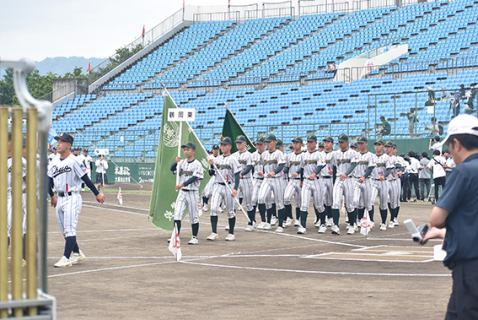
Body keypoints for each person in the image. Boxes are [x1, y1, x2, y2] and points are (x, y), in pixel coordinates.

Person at [422, 114, 478, 319]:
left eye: (450, 147)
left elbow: (436, 217)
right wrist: (444, 233)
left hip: (470, 268)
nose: (450, 153)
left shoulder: (463, 172)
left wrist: (437, 227)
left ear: (457, 143)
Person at [48, 133, 105, 267]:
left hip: (72, 197)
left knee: (70, 229)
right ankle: (77, 253)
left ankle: (65, 258)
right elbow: (48, 179)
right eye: (58, 141)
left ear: (69, 145)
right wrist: (51, 195)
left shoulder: (75, 161)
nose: (58, 144)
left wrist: (97, 193)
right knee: (64, 231)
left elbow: (86, 179)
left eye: (62, 141)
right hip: (60, 198)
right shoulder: (54, 160)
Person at [207, 137, 241, 241]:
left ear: (230, 146)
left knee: (230, 211)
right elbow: (211, 173)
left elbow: (237, 175)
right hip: (218, 185)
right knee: (213, 209)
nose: (222, 147)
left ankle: (231, 233)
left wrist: (235, 189)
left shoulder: (233, 159)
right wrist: (211, 166)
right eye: (222, 145)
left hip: (229, 186)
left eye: (225, 145)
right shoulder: (217, 159)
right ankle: (214, 232)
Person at [170, 141, 203, 245]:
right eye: (184, 149)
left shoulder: (197, 164)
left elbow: (194, 177)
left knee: (193, 216)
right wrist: (175, 163)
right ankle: (176, 236)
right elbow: (172, 169)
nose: (185, 151)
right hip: (182, 193)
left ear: (193, 151)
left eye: (188, 149)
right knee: (177, 214)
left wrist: (182, 184)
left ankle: (194, 237)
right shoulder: (182, 162)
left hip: (192, 192)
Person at [292, 135, 325, 234]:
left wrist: (314, 174)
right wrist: (298, 174)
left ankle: (323, 224)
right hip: (306, 181)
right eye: (308, 142)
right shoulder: (304, 155)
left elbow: (320, 166)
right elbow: (302, 168)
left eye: (311, 142)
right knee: (304, 205)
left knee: (319, 206)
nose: (309, 144)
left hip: (317, 181)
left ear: (316, 143)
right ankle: (302, 226)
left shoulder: (319, 154)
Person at [256, 134, 286, 232]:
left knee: (279, 202)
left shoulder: (279, 153)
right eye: (266, 142)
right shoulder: (264, 154)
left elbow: (281, 165)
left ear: (274, 142)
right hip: (266, 178)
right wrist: (264, 172)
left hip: (277, 179)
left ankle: (280, 225)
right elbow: (264, 166)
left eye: (269, 142)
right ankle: (266, 222)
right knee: (261, 198)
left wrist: (274, 172)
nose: (267, 144)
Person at [330, 134, 358, 235]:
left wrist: (346, 174)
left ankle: (351, 225)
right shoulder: (335, 154)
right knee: (336, 203)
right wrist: (333, 182)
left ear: (347, 142)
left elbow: (353, 165)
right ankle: (335, 226)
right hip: (338, 179)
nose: (341, 144)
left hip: (349, 179)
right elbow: (334, 168)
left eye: (342, 142)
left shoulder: (353, 153)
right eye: (339, 142)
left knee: (350, 205)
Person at [353, 136, 375, 230]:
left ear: (366, 143)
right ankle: (357, 220)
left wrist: (364, 176)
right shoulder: (354, 155)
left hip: (367, 181)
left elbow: (370, 168)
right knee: (355, 201)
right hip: (356, 180)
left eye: (362, 143)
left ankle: (370, 220)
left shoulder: (370, 155)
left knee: (368, 202)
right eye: (358, 143)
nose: (360, 145)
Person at [370, 139, 392, 231]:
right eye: (376, 145)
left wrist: (384, 176)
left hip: (383, 182)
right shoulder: (371, 157)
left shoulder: (387, 157)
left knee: (383, 204)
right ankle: (370, 221)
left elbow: (389, 169)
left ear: (383, 147)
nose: (377, 147)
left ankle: (383, 222)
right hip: (373, 181)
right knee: (370, 201)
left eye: (379, 145)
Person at [233, 135, 254, 230]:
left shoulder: (249, 155)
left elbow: (250, 166)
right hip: (236, 181)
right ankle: (231, 223)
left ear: (245, 143)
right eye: (237, 142)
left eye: (240, 142)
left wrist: (242, 174)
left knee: (248, 203)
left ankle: (251, 222)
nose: (238, 144)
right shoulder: (234, 155)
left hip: (246, 180)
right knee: (232, 202)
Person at [283, 137, 303, 229]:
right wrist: (283, 171)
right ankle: (289, 217)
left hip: (300, 180)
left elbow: (304, 168)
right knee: (286, 198)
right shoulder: (289, 156)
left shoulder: (304, 155)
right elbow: (287, 167)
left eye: (297, 143)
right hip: (291, 180)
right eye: (294, 143)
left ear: (301, 144)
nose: (295, 144)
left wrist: (298, 173)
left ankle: (298, 219)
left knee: (298, 202)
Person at [248, 137, 266, 231]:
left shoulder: (267, 154)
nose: (259, 146)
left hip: (266, 179)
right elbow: (251, 167)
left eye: (261, 144)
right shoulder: (253, 155)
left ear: (265, 144)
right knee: (253, 199)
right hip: (256, 179)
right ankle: (252, 221)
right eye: (257, 144)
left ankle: (265, 220)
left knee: (265, 200)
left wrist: (264, 172)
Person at [202, 144, 219, 212]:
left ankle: (219, 206)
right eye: (214, 149)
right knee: (208, 192)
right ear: (212, 150)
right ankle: (205, 204)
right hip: (210, 176)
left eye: (217, 149)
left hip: (217, 176)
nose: (215, 151)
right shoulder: (209, 157)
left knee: (217, 192)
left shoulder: (220, 157)